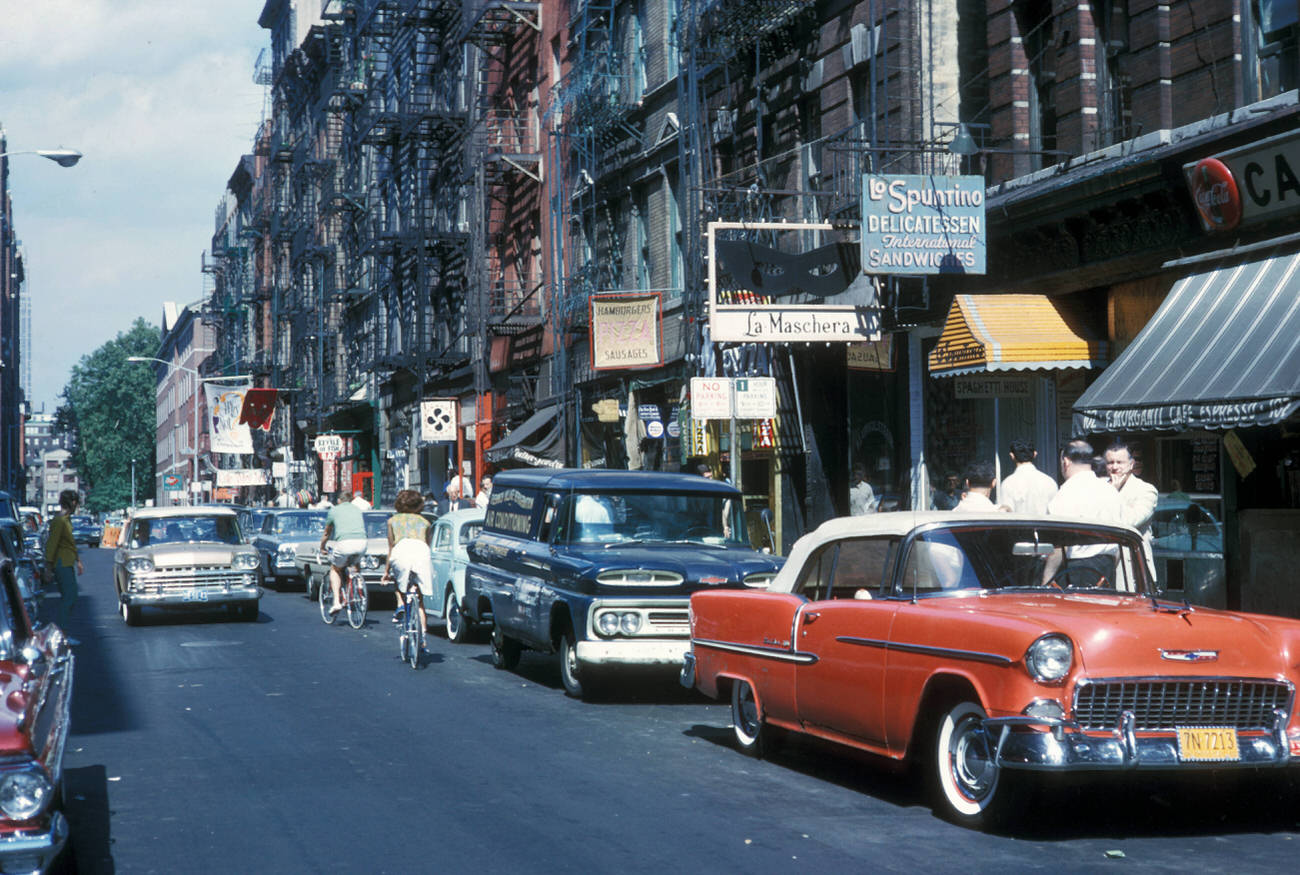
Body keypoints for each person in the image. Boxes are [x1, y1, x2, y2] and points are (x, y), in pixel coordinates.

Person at [1042, 439, 1125, 586]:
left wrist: (1045, 581)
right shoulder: (1111, 491)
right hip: (1106, 571)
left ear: (1065, 462)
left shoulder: (1064, 495)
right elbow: (1119, 541)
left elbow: (1059, 547)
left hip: (1076, 572)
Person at [1105, 438, 1159, 577]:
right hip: (1102, 564)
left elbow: (1130, 521)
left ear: (1131, 464)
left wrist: (1112, 494)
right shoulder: (1100, 487)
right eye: (1110, 462)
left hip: (1132, 567)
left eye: (1120, 462)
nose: (1115, 467)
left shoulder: (1146, 490)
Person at [384, 489, 433, 631]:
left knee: (398, 581)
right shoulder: (425, 522)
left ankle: (400, 604)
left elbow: (391, 547)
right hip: (421, 551)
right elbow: (427, 544)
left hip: (402, 549)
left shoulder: (392, 521)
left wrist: (386, 572)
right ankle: (422, 638)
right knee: (420, 599)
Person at [320, 490, 369, 615]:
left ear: (339, 501)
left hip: (344, 544)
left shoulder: (334, 510)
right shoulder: (357, 509)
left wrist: (322, 547)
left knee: (335, 568)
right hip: (362, 543)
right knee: (355, 561)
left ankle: (336, 602)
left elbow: (327, 533)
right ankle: (357, 582)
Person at [43, 489, 83, 643]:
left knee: (69, 597)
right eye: (76, 503)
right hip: (61, 563)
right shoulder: (59, 521)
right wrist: (48, 566)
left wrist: (78, 560)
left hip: (66, 562)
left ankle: (62, 633)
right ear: (72, 503)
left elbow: (69, 543)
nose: (77, 505)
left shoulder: (66, 520)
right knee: (69, 597)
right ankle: (61, 634)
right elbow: (52, 544)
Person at [999, 439, 1058, 515]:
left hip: (1018, 527)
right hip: (1045, 527)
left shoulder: (1007, 484)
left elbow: (1004, 514)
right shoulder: (1049, 482)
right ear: (1035, 454)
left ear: (1012, 456)